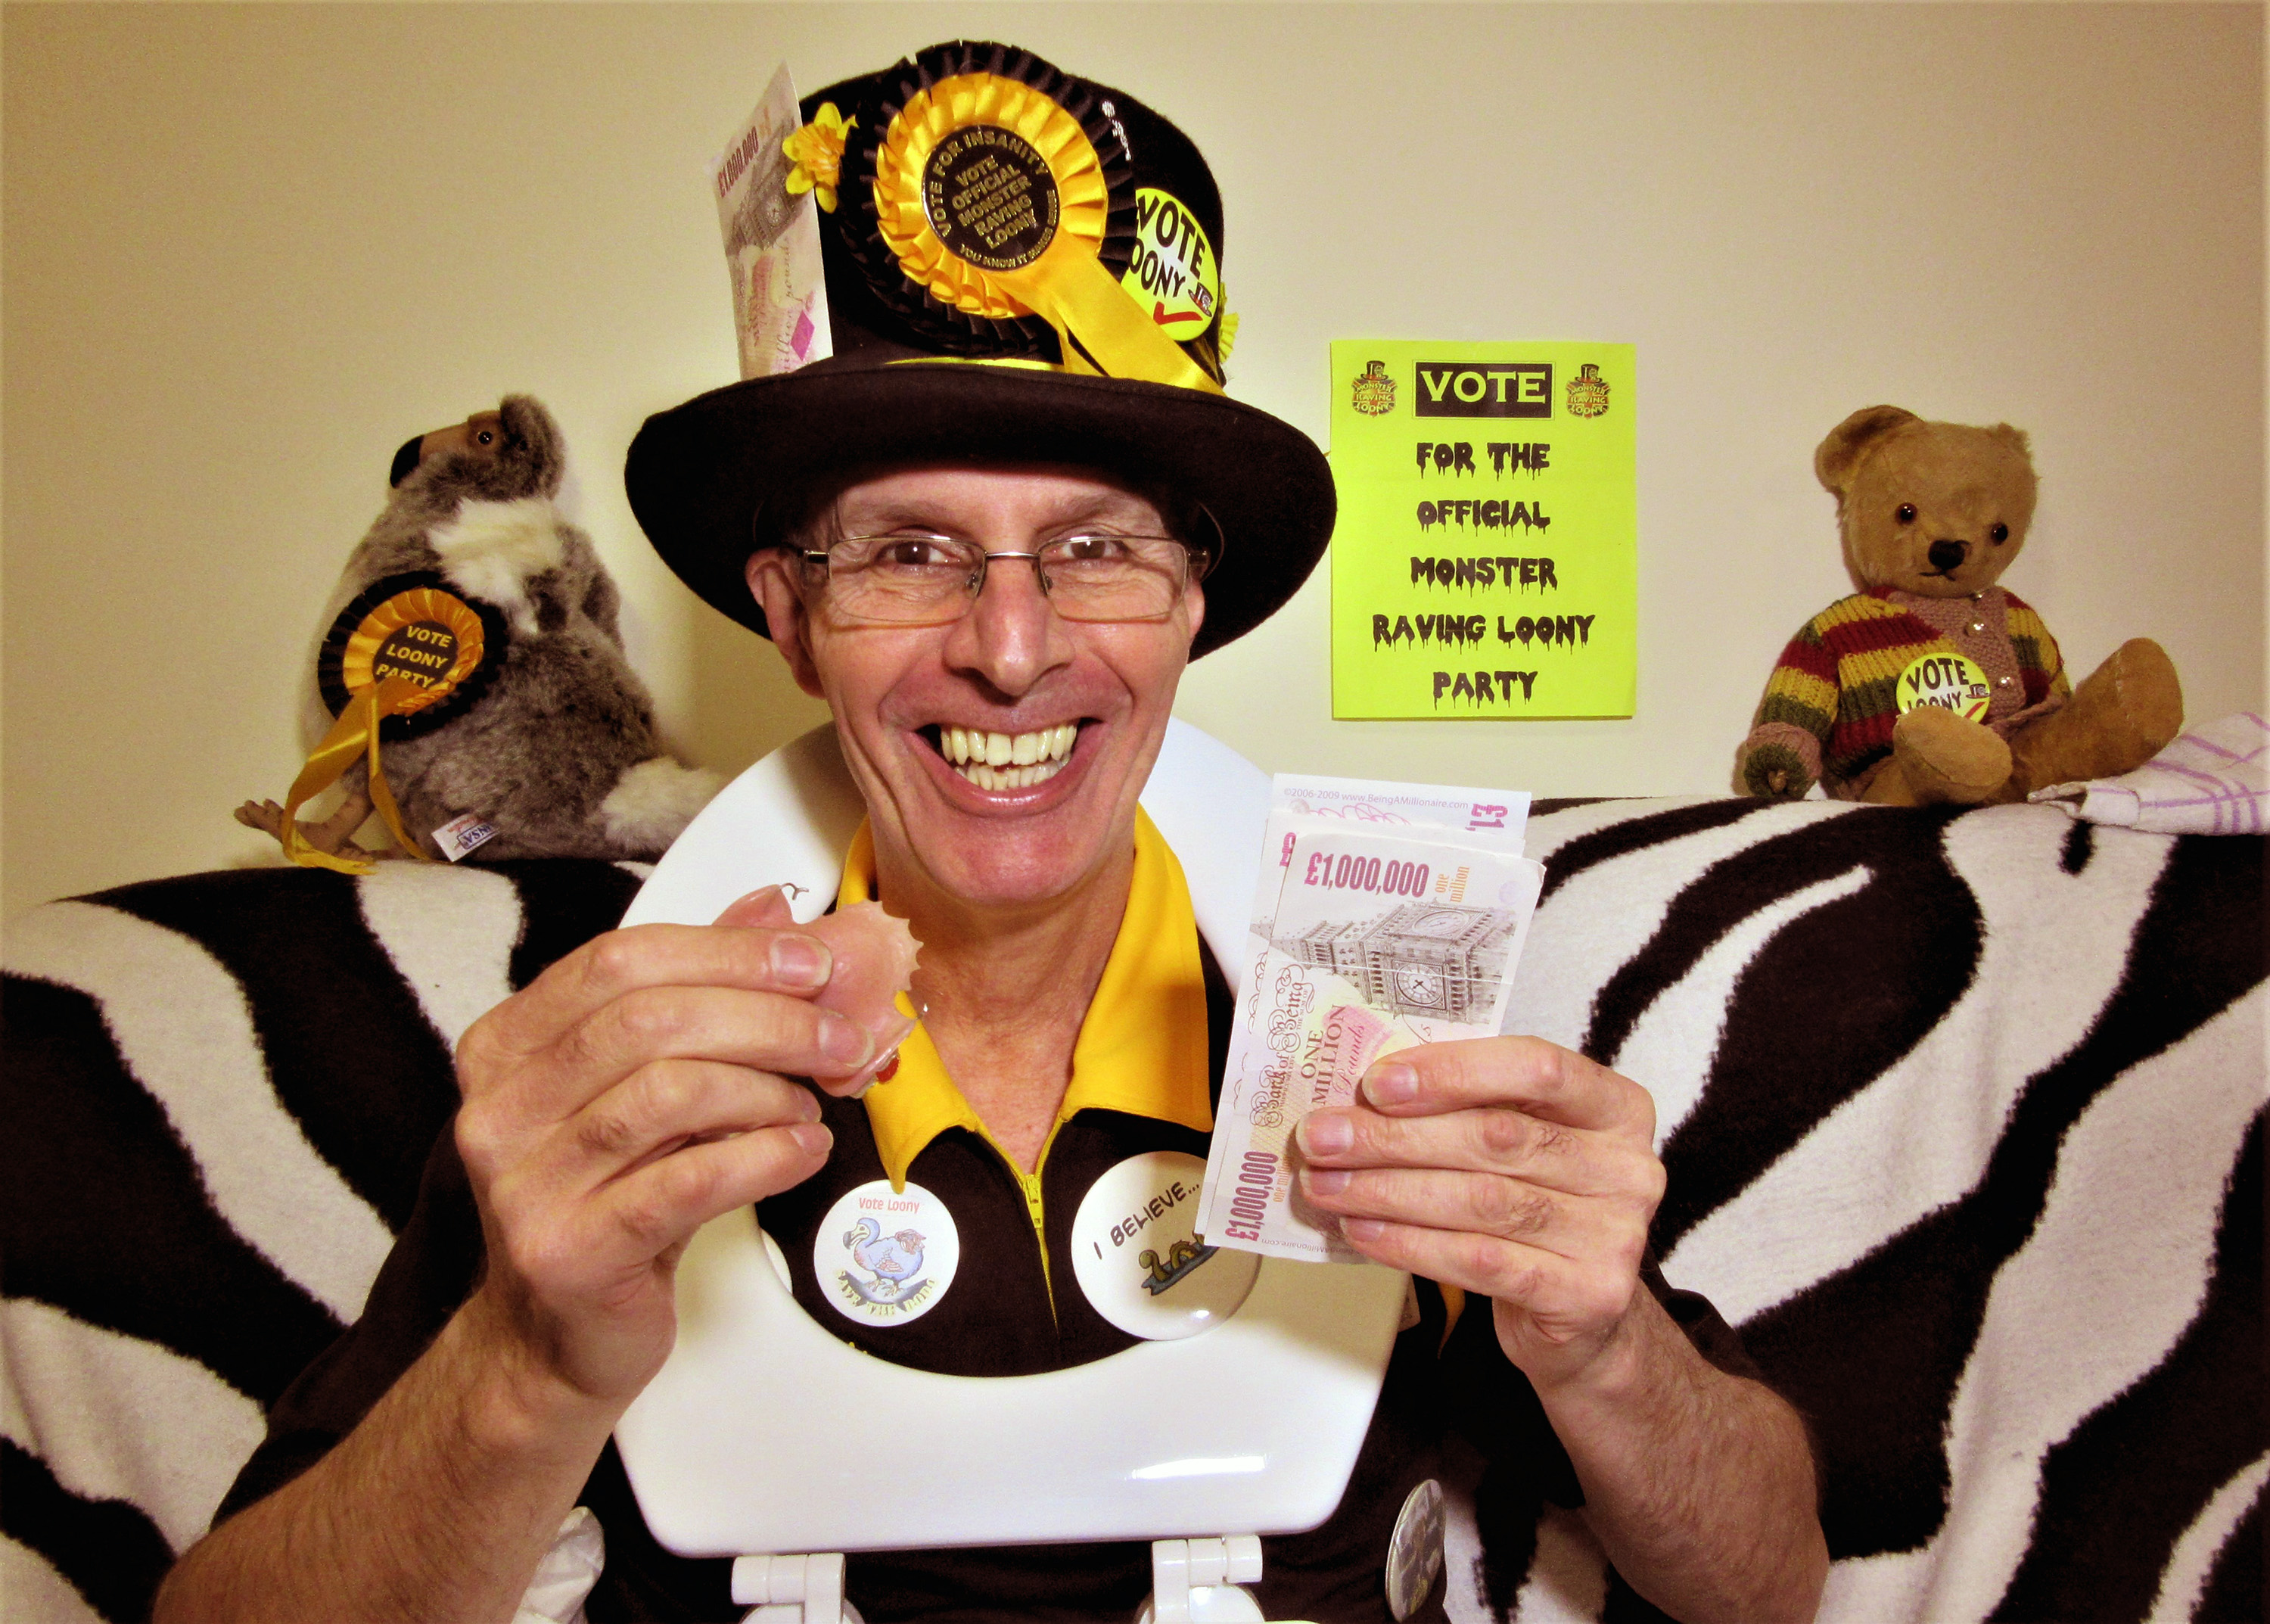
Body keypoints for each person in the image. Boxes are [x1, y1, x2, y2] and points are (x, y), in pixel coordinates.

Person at [156, 40, 1827, 1624]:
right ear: (791, 619)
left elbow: (1766, 1585)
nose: (1012, 651)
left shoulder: (1368, 1021)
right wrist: (523, 1360)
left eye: (1097, 549)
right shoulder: (621, 1071)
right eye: (907, 554)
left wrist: (1604, 1345)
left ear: (1189, 609)